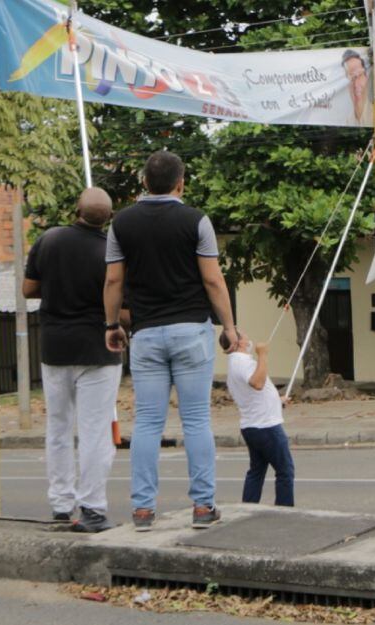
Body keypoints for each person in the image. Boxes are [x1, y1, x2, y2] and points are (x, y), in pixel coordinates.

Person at [104, 151, 240, 532]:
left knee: (148, 422)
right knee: (196, 420)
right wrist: (229, 327)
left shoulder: (121, 224)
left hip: (146, 334)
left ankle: (143, 510)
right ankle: (203, 506)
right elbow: (213, 280)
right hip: (192, 331)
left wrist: (111, 324)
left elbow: (113, 280)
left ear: (144, 182)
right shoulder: (197, 221)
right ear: (181, 183)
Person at [24, 187, 123, 533]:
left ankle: (61, 504)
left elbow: (28, 289)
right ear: (109, 218)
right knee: (95, 432)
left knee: (58, 428)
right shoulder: (111, 251)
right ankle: (92, 507)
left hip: (55, 348)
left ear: (75, 211)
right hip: (98, 350)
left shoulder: (48, 240)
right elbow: (121, 303)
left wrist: (55, 288)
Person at [227, 332, 294, 507]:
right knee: (285, 471)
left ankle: (247, 508)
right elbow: (257, 383)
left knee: (256, 472)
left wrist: (277, 401)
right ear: (237, 343)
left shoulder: (234, 363)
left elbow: (253, 394)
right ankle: (285, 512)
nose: (248, 338)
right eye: (244, 336)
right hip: (266, 426)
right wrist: (262, 355)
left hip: (252, 425)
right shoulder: (243, 362)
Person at [342, 49, 373, 126]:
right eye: (351, 79)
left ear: (366, 76)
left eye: (360, 75)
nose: (356, 85)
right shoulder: (348, 122)